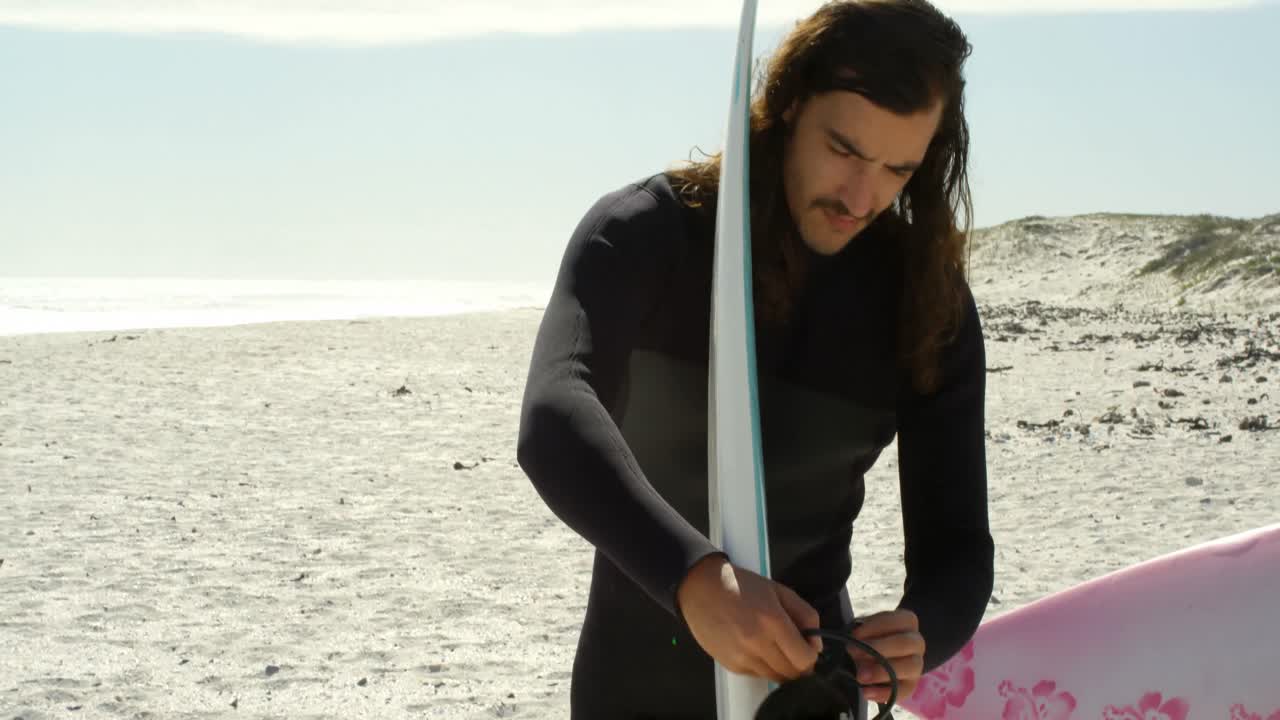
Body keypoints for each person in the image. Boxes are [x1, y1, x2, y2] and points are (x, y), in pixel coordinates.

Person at [516, 0, 994, 717]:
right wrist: (695, 579)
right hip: (633, 679)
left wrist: (924, 632)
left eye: (899, 169)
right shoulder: (650, 235)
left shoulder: (923, 302)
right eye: (845, 150)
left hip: (810, 690)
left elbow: (957, 542)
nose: (863, 198)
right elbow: (553, 418)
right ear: (789, 104)